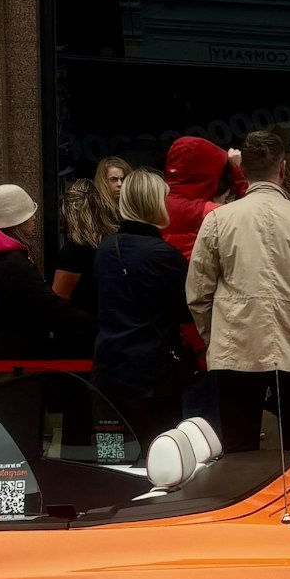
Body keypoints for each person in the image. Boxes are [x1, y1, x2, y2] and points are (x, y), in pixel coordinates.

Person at [187, 130, 290, 456]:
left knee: (238, 450)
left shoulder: (218, 221)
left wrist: (215, 336)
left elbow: (198, 294)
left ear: (242, 169)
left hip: (236, 349)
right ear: (283, 169)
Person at [92, 169, 193, 438]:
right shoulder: (165, 255)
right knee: (159, 458)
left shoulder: (106, 249)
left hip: (109, 372)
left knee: (110, 457)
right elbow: (186, 311)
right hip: (153, 377)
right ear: (154, 203)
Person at [0, 183, 94, 376]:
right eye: (29, 214)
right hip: (10, 359)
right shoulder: (12, 262)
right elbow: (47, 304)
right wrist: (92, 323)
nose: (35, 218)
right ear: (17, 220)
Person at [163, 135, 243, 260]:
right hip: (195, 276)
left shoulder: (153, 202)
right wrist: (238, 172)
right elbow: (256, 215)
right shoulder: (208, 211)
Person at [51, 178, 115, 318]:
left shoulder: (74, 251)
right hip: (113, 325)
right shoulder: (113, 240)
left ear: (68, 210)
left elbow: (58, 301)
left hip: (83, 330)